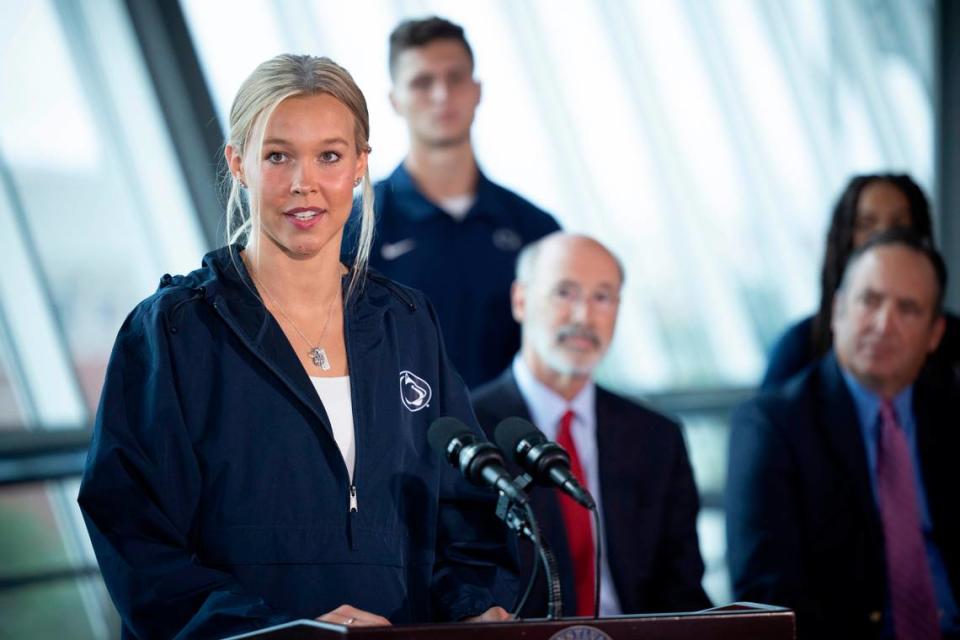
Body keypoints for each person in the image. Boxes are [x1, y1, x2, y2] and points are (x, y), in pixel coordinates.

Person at [78, 54, 517, 639]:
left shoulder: (408, 325)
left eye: (329, 156)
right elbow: (136, 539)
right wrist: (285, 631)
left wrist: (471, 604)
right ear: (239, 164)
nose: (302, 183)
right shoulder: (172, 332)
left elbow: (462, 515)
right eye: (277, 156)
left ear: (360, 166)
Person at [727, 228, 960, 639]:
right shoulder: (772, 426)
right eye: (869, 301)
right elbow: (767, 599)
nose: (884, 324)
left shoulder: (952, 415)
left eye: (907, 308)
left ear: (935, 334)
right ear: (837, 311)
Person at [472, 232, 711, 618]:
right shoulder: (470, 429)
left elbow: (682, 591)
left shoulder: (657, 438)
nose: (584, 317)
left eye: (602, 297)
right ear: (521, 300)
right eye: (565, 293)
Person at [364, 16, 560, 389]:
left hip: (515, 441)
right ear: (395, 100)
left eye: (455, 78)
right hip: (405, 445)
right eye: (422, 82)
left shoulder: (536, 230)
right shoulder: (355, 228)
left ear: (477, 90)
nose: (442, 94)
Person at [762, 173, 960, 390]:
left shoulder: (951, 343)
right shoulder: (798, 347)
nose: (883, 327)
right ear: (838, 310)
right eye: (866, 224)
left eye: (898, 224)